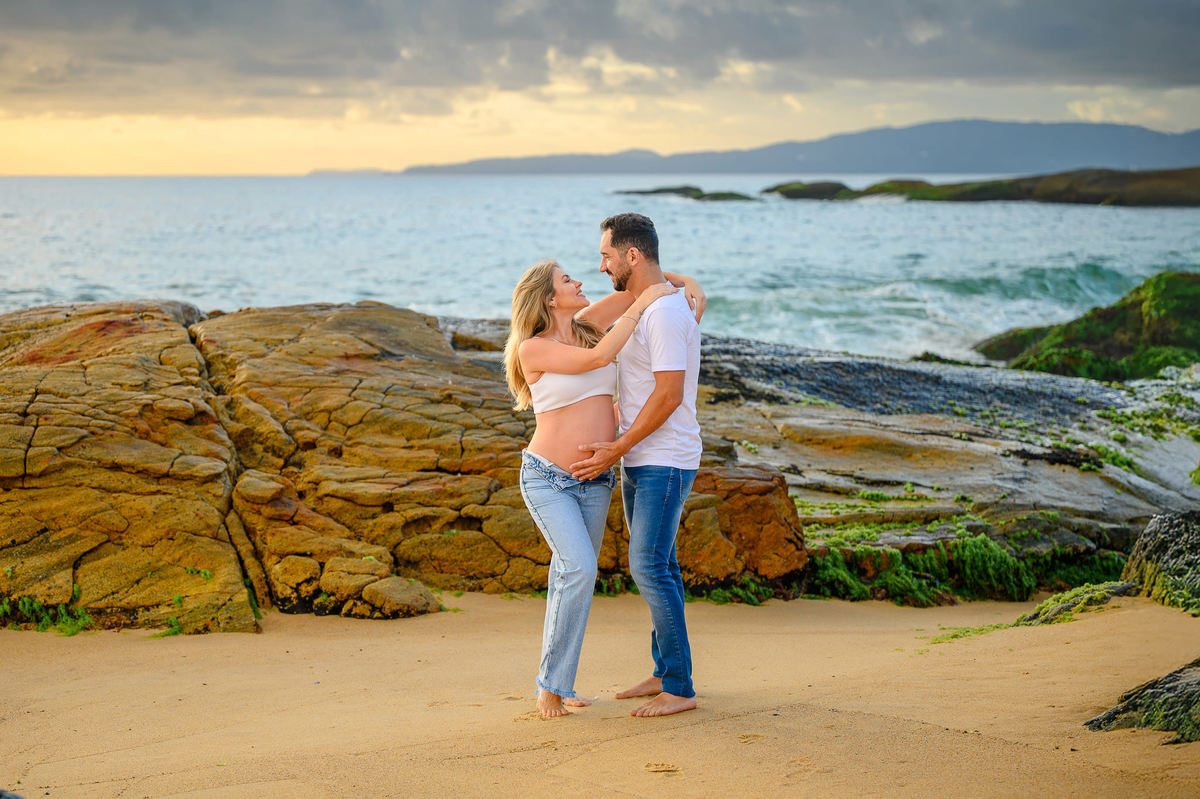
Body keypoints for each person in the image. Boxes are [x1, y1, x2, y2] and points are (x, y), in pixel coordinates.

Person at [503, 257, 705, 719]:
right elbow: (601, 356)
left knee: (571, 577)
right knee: (577, 570)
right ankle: (550, 688)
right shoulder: (533, 348)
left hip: (595, 480)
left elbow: (644, 284)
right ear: (550, 298)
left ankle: (564, 681)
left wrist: (688, 281)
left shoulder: (589, 324)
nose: (580, 280)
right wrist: (643, 306)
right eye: (567, 279)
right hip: (548, 478)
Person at [570, 212, 703, 718]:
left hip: (664, 459)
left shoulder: (665, 314)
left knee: (648, 566)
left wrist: (618, 446)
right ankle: (666, 671)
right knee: (661, 565)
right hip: (645, 457)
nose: (601, 266)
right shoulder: (647, 304)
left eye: (606, 256)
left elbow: (668, 395)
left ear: (631, 255)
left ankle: (681, 688)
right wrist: (684, 279)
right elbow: (583, 326)